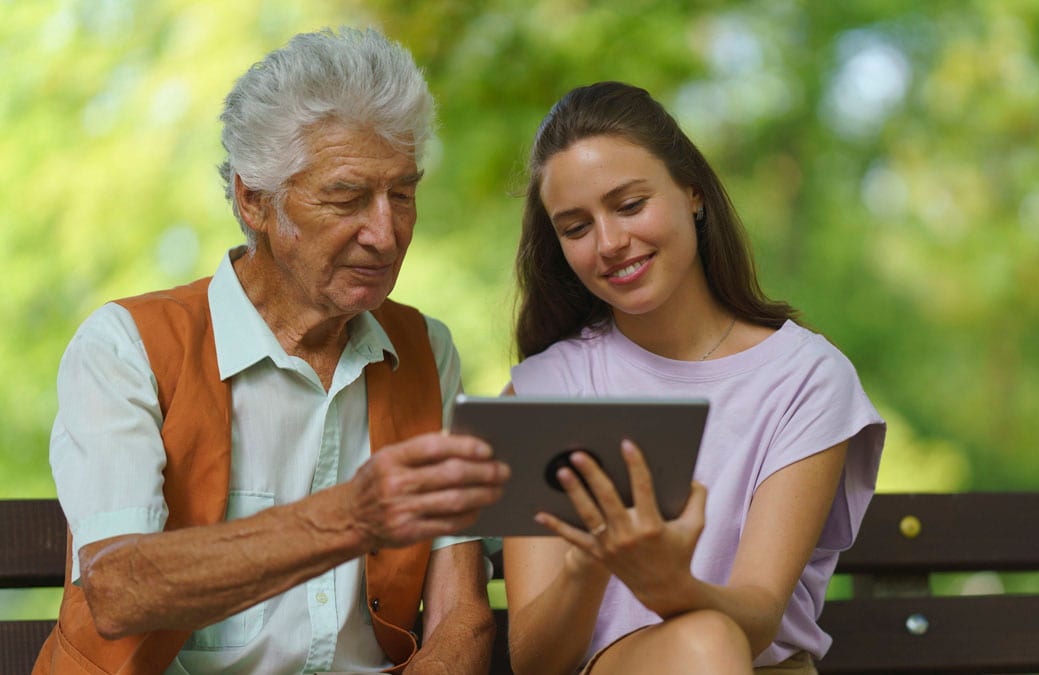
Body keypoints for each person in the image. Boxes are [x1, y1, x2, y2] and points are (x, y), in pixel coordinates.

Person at [37, 27, 509, 674]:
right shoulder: (126, 347)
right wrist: (348, 515)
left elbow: (461, 618)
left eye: (403, 193)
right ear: (253, 200)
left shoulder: (426, 350)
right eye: (346, 197)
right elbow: (118, 589)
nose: (386, 232)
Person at [502, 81, 886, 675]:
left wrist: (668, 582)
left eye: (630, 205)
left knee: (710, 642)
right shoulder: (545, 392)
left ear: (694, 193)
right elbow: (533, 662)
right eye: (576, 227)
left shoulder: (806, 379)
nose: (609, 243)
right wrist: (589, 564)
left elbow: (757, 618)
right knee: (704, 646)